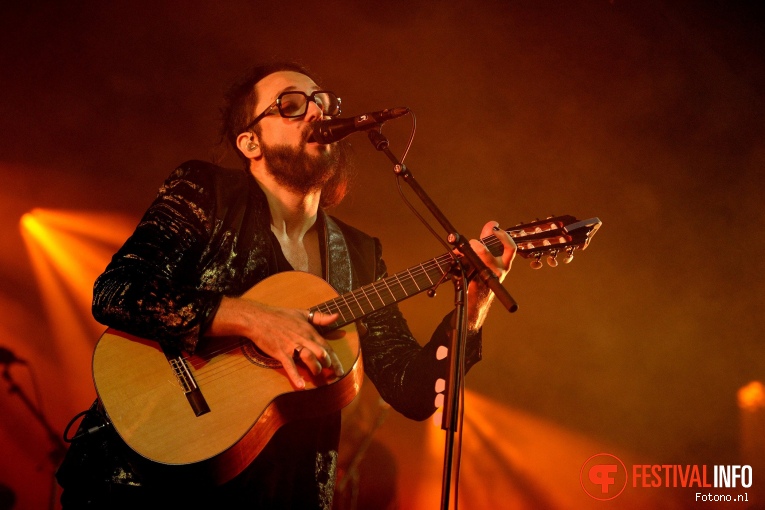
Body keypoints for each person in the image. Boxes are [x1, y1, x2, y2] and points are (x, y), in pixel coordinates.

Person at [56, 61, 515, 509]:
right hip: (146, 481)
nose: (317, 113)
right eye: (291, 105)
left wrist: (474, 305)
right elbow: (118, 290)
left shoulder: (358, 255)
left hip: (283, 491)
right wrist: (257, 321)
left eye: (322, 102)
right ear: (250, 142)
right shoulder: (207, 192)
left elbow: (411, 392)